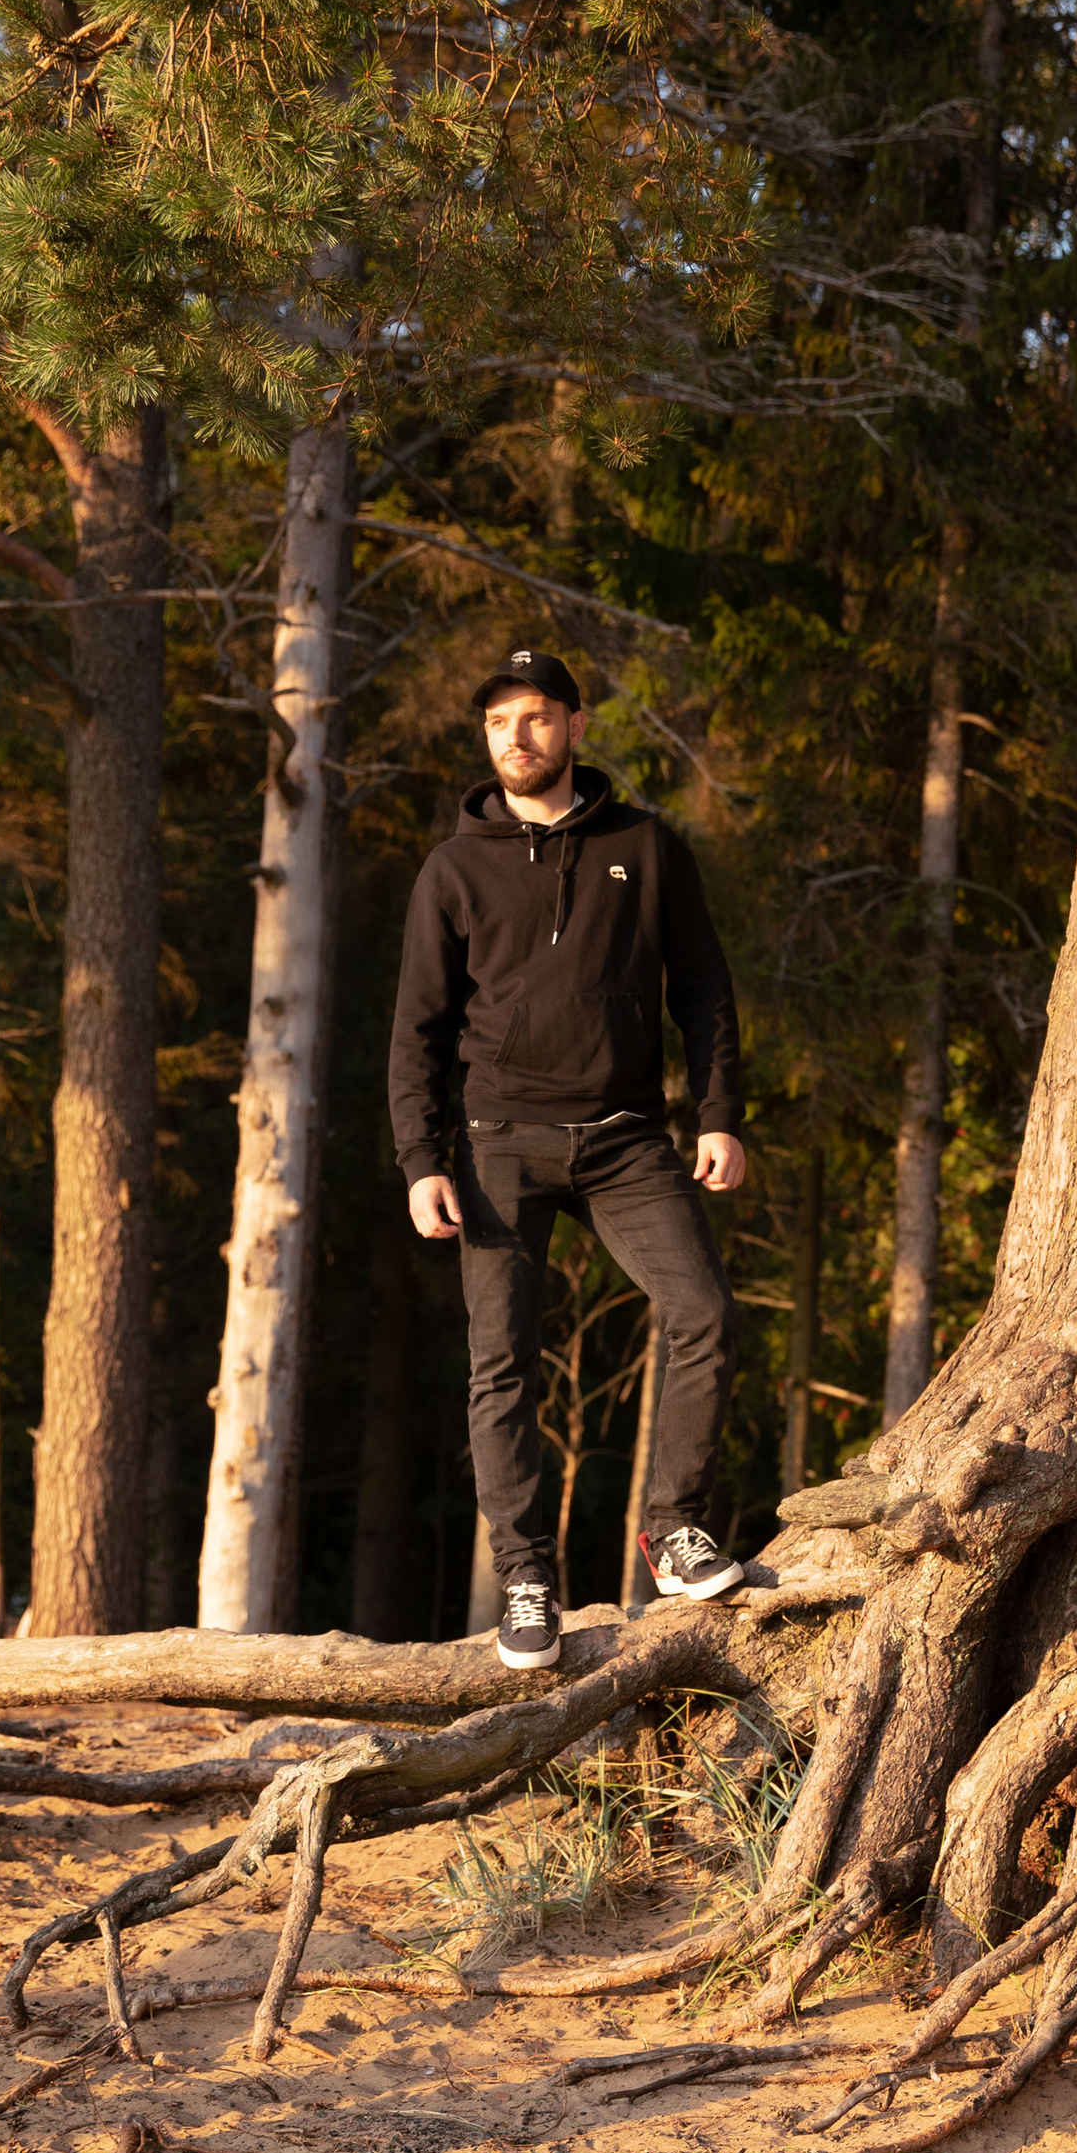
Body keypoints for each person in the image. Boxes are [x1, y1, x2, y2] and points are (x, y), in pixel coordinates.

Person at [387, 644, 749, 1671]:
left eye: (537, 716)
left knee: (704, 1311)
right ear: (485, 738)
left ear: (576, 727)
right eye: (499, 721)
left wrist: (717, 1113)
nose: (518, 737)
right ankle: (527, 1577)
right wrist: (422, 1159)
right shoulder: (453, 869)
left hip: (627, 1137)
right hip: (497, 1144)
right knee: (501, 1362)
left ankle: (674, 1529)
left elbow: (705, 989)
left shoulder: (645, 844)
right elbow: (416, 1027)